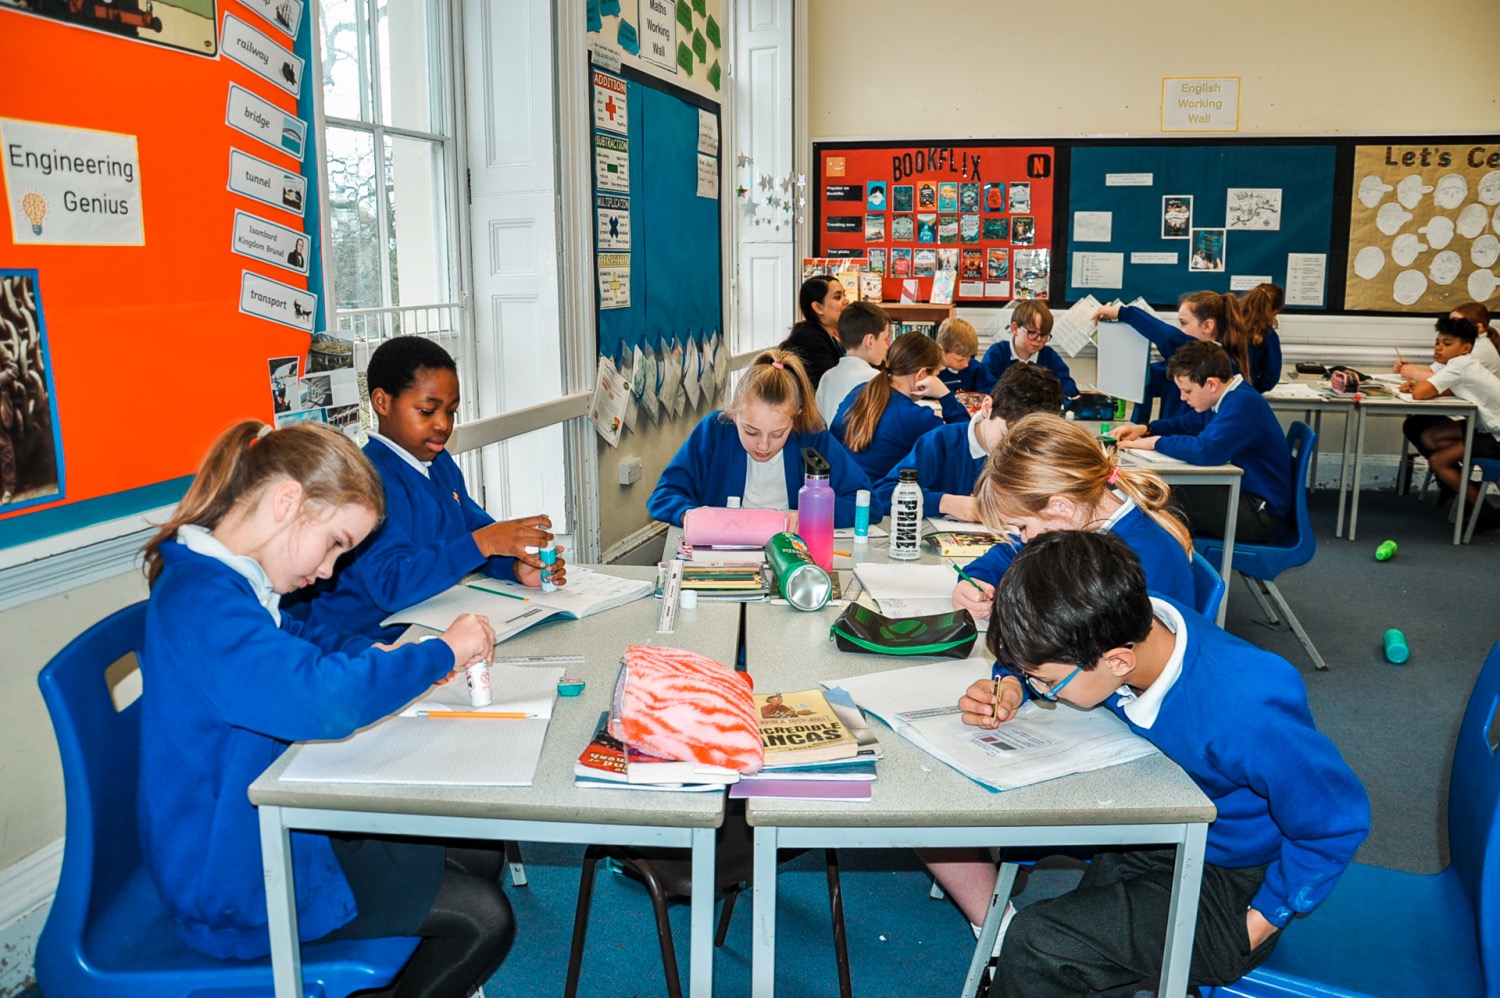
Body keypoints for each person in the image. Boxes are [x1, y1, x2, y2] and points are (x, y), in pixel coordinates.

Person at [138, 420, 514, 995]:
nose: (328, 571)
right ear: (288, 502)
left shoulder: (230, 584)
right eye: (336, 543)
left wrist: (389, 654)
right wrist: (439, 652)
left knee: (473, 853)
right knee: (483, 919)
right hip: (232, 877)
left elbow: (306, 646)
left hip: (271, 824)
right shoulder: (201, 603)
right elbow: (323, 698)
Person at [959, 530, 1369, 997]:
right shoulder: (1129, 619)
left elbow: (1338, 819)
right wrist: (1012, 684)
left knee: (1039, 943)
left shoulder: (1245, 707)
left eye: (1048, 682)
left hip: (1238, 883)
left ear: (1116, 662)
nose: (1044, 691)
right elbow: (1053, 659)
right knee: (1077, 940)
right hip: (1172, 834)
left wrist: (1263, 918)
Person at [292, 336, 565, 642]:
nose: (442, 425)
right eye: (426, 411)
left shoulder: (439, 463)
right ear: (382, 402)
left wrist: (514, 566)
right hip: (365, 642)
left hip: (430, 621)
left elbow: (472, 531)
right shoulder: (365, 479)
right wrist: (482, 543)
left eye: (451, 412)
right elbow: (391, 586)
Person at [950, 412, 1198, 622]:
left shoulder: (1138, 561)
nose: (1023, 539)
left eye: (1022, 526)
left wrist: (1012, 672)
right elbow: (1014, 552)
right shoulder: (1086, 518)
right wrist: (976, 579)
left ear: (1060, 507)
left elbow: (1091, 660)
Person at [648, 349, 873, 526]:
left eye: (778, 434)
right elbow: (664, 495)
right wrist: (692, 516)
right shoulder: (715, 430)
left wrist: (810, 514)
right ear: (734, 412)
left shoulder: (812, 437)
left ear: (796, 417)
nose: (763, 445)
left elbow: (866, 502)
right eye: (750, 431)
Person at [1112, 340, 1291, 544]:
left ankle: (1154, 557)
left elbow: (1206, 450)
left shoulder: (1242, 403)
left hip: (1259, 515)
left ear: (1212, 384)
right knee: (1161, 493)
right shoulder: (1229, 397)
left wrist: (1156, 442)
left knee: (1162, 492)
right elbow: (1188, 424)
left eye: (1187, 391)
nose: (1182, 397)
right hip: (1246, 499)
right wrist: (1146, 429)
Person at [871, 364, 1063, 522]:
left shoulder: (1039, 454)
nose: (1018, 449)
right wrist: (946, 503)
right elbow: (882, 495)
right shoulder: (941, 443)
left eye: (1029, 441)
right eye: (1008, 435)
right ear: (988, 408)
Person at [1097, 288, 1280, 423]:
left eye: (1184, 323)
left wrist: (1122, 312)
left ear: (1207, 326)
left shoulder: (1215, 361)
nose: (1179, 329)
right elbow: (1154, 375)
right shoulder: (1188, 362)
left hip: (1189, 444)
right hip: (1174, 439)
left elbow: (1168, 337)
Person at [1396, 316, 1500, 533]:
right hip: (1488, 427)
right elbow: (1450, 388)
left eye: (1447, 344)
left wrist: (1418, 386)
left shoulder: (1458, 366)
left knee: (1438, 460)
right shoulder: (1465, 364)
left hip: (1495, 435)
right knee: (1430, 437)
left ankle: (1484, 510)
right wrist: (1422, 385)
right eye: (1437, 343)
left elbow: (1420, 394)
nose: (1439, 348)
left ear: (1465, 348)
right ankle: (1462, 484)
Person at [831, 329, 969, 482]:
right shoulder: (917, 418)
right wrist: (945, 395)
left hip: (841, 491)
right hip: (879, 500)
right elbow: (965, 443)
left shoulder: (859, 391)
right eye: (935, 376)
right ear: (922, 375)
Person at [974, 300, 1078, 399]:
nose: (1039, 340)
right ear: (1015, 329)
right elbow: (985, 388)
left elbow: (1068, 386)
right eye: (1032, 333)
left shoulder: (1048, 355)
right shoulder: (997, 353)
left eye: (1044, 335)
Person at [815, 300, 890, 418]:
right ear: (870, 341)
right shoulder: (876, 379)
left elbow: (819, 421)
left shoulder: (827, 377)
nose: (886, 346)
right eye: (885, 339)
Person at [779, 275, 847, 388]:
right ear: (818, 307)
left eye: (844, 295)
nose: (846, 300)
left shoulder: (830, 335)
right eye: (837, 297)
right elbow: (831, 385)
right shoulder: (809, 340)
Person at [934, 316, 983, 393]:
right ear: (941, 350)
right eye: (960, 360)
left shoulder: (977, 370)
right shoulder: (927, 370)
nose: (966, 364)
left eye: (969, 357)